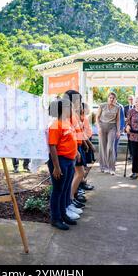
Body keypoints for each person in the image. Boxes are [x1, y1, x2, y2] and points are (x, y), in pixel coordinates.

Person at [47, 99, 79, 231]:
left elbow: (71, 139)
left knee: (65, 189)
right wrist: (56, 166)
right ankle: (55, 218)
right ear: (63, 110)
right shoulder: (56, 125)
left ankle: (63, 214)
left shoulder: (67, 122)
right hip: (60, 161)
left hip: (70, 160)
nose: (72, 110)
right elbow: (52, 146)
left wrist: (76, 152)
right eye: (70, 108)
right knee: (58, 190)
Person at [63, 90, 86, 217]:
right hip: (73, 149)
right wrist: (76, 149)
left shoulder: (73, 113)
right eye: (78, 100)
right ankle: (70, 200)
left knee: (77, 174)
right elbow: (70, 133)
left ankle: (71, 199)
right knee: (79, 173)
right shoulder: (68, 114)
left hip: (77, 147)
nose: (80, 103)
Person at [96, 92, 121, 175]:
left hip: (112, 127)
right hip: (102, 127)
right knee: (103, 147)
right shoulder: (102, 106)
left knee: (110, 147)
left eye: (113, 98)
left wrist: (118, 130)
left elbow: (118, 120)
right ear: (108, 98)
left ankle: (111, 167)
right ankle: (104, 166)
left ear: (115, 99)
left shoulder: (118, 108)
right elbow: (97, 117)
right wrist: (98, 127)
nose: (111, 99)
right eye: (110, 97)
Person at [124, 95, 135, 160]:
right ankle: (131, 155)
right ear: (128, 100)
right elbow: (123, 117)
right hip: (128, 127)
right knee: (130, 141)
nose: (131, 100)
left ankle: (135, 154)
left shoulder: (136, 107)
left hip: (135, 127)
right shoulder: (125, 107)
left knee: (135, 141)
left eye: (132, 99)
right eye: (129, 99)